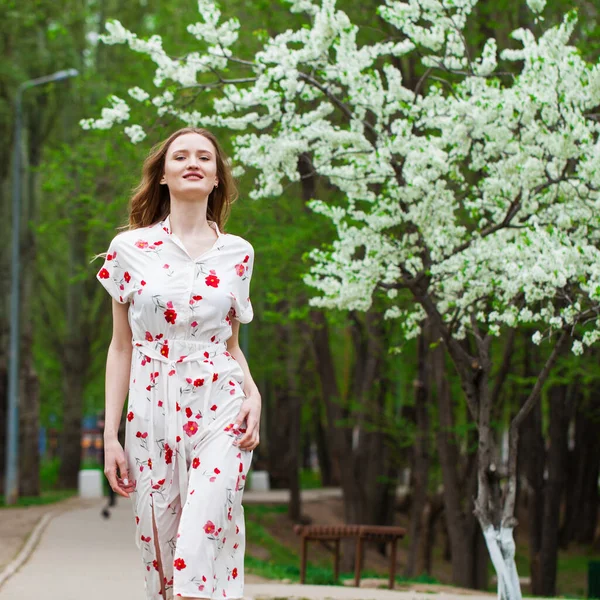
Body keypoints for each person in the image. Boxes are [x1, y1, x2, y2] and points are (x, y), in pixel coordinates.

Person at [96, 127, 261, 600]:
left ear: (215, 178)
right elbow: (121, 346)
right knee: (161, 548)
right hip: (151, 409)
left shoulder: (239, 253)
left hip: (222, 405)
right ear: (163, 175)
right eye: (181, 156)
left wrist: (254, 395)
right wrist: (110, 436)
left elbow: (231, 345)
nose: (193, 162)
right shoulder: (128, 249)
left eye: (204, 157)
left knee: (200, 540)